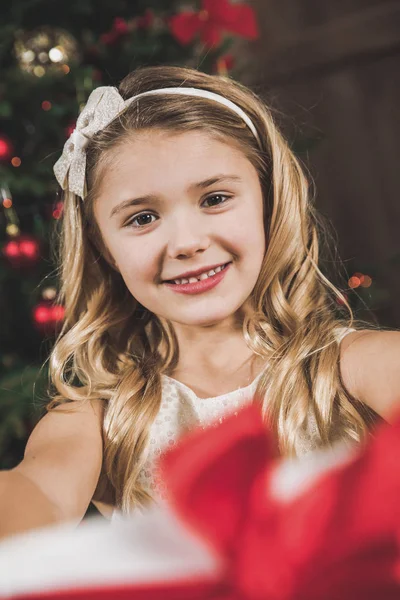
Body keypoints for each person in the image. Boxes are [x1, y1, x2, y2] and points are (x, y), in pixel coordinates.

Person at [0, 65, 399, 539]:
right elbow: (39, 491)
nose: (186, 243)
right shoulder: (99, 423)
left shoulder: (352, 367)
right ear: (103, 246)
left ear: (269, 202)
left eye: (214, 198)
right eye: (143, 217)